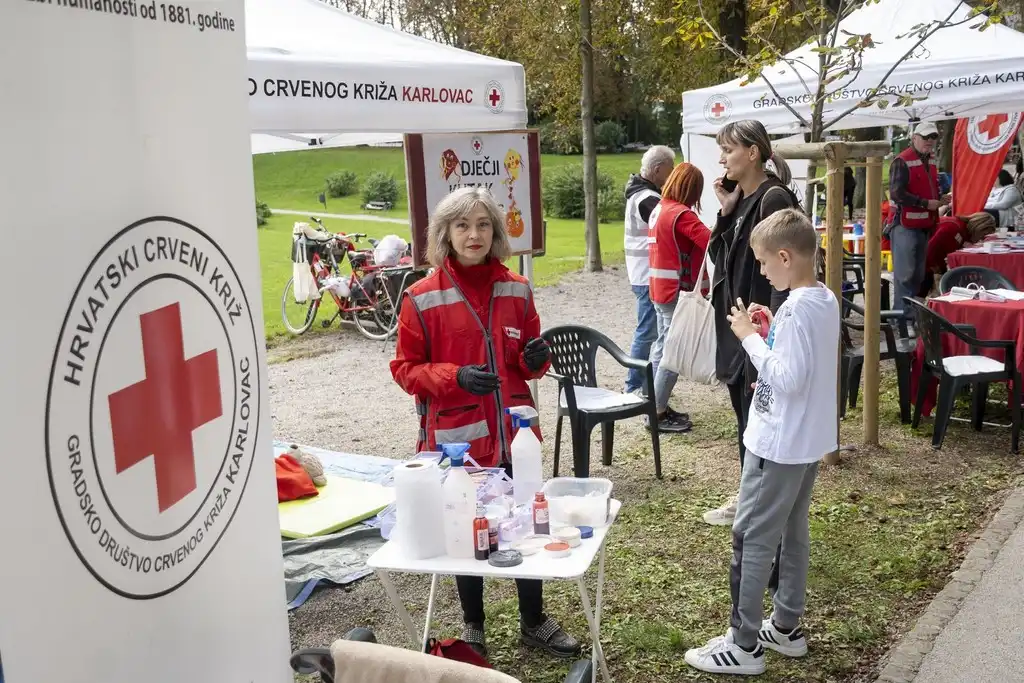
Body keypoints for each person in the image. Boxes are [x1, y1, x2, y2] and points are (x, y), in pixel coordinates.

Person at [390, 187, 581, 660]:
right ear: (445, 233)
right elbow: (405, 370)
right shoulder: (420, 297)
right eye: (462, 225)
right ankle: (473, 624)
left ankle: (533, 620)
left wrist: (536, 359)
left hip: (517, 437)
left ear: (495, 232)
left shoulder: (517, 288)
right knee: (465, 529)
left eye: (482, 225)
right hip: (459, 442)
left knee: (527, 525)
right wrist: (455, 376)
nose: (473, 234)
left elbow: (530, 359)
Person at [684, 208, 840, 676]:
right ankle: (785, 626)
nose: (764, 271)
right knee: (792, 532)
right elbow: (802, 366)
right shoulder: (824, 299)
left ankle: (743, 642)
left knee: (750, 537)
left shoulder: (797, 309)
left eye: (765, 262)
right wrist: (770, 335)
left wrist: (750, 339)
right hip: (804, 441)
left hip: (777, 445)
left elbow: (789, 378)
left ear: (785, 257)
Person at [704, 119, 801, 527]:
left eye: (728, 149)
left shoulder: (772, 198)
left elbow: (786, 267)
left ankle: (755, 501)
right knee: (746, 418)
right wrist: (725, 212)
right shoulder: (742, 199)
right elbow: (718, 258)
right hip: (738, 327)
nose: (722, 158)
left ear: (753, 152)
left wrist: (774, 332)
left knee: (757, 419)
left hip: (759, 327)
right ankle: (751, 494)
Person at [647, 162, 709, 433]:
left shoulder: (660, 209)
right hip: (676, 292)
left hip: (659, 289)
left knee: (662, 348)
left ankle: (652, 404)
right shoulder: (681, 214)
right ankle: (656, 412)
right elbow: (711, 240)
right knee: (673, 353)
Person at [623, 145, 676, 397]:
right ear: (657, 170)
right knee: (647, 332)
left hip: (643, 272)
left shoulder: (642, 194)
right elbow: (669, 224)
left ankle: (643, 385)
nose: (672, 174)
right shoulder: (647, 199)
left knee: (648, 330)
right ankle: (635, 386)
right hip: (647, 274)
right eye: (670, 169)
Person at [887, 122, 948, 319]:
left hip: (923, 225)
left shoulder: (930, 161)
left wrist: (940, 199)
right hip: (905, 225)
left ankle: (909, 318)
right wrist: (925, 203)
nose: (930, 141)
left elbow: (926, 187)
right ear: (914, 138)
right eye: (926, 137)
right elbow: (896, 193)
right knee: (905, 276)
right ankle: (901, 320)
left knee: (917, 276)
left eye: (933, 137)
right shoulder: (902, 161)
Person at [921, 212, 996, 296]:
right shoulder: (953, 228)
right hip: (923, 264)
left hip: (929, 263)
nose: (981, 239)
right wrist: (936, 269)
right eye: (983, 235)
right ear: (980, 227)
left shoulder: (962, 229)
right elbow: (929, 249)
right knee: (922, 290)